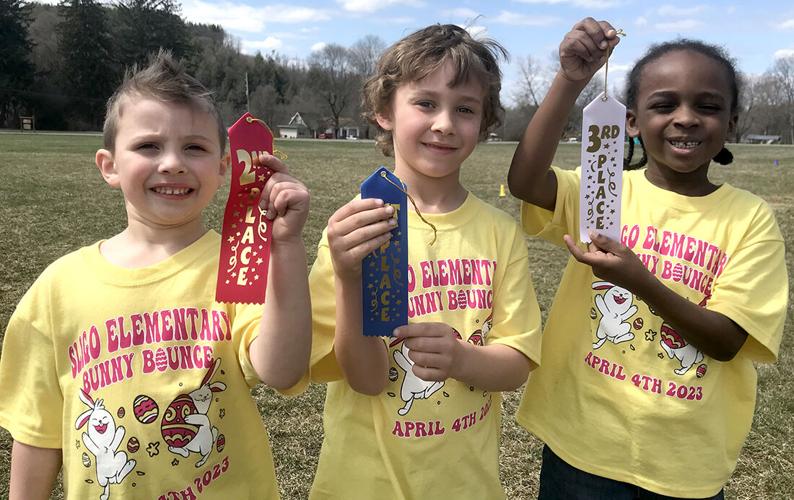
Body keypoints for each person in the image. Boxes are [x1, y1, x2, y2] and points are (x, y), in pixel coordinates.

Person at [0, 51, 311, 500]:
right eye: (148, 146)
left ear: (224, 166)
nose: (172, 163)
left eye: (195, 148)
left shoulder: (239, 267)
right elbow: (37, 431)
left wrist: (284, 247)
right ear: (109, 165)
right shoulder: (57, 288)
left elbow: (281, 370)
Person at [508, 18, 788, 499]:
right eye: (663, 104)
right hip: (583, 445)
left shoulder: (750, 218)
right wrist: (570, 80)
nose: (685, 117)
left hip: (682, 462)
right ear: (630, 121)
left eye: (708, 106)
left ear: (731, 122)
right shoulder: (603, 189)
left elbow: (725, 340)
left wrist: (641, 281)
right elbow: (527, 182)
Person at [308, 24, 542, 499]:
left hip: (465, 486)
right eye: (425, 103)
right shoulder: (353, 229)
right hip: (362, 485)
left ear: (485, 121)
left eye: (465, 109)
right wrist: (349, 277)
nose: (445, 124)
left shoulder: (499, 233)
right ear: (383, 111)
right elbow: (367, 379)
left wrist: (461, 357)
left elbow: (517, 363)